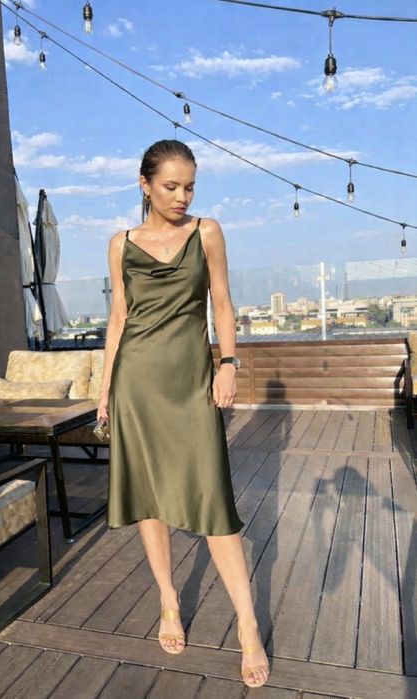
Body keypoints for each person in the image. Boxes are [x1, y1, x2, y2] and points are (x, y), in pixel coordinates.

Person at [97, 139, 269, 688]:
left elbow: (222, 303)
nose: (182, 196)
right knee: (149, 499)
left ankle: (247, 625)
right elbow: (119, 319)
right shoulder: (121, 245)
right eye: (170, 186)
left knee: (213, 500)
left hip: (193, 383)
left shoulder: (207, 232)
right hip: (137, 384)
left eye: (189, 187)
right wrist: (105, 390)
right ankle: (169, 601)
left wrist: (229, 364)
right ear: (145, 184)